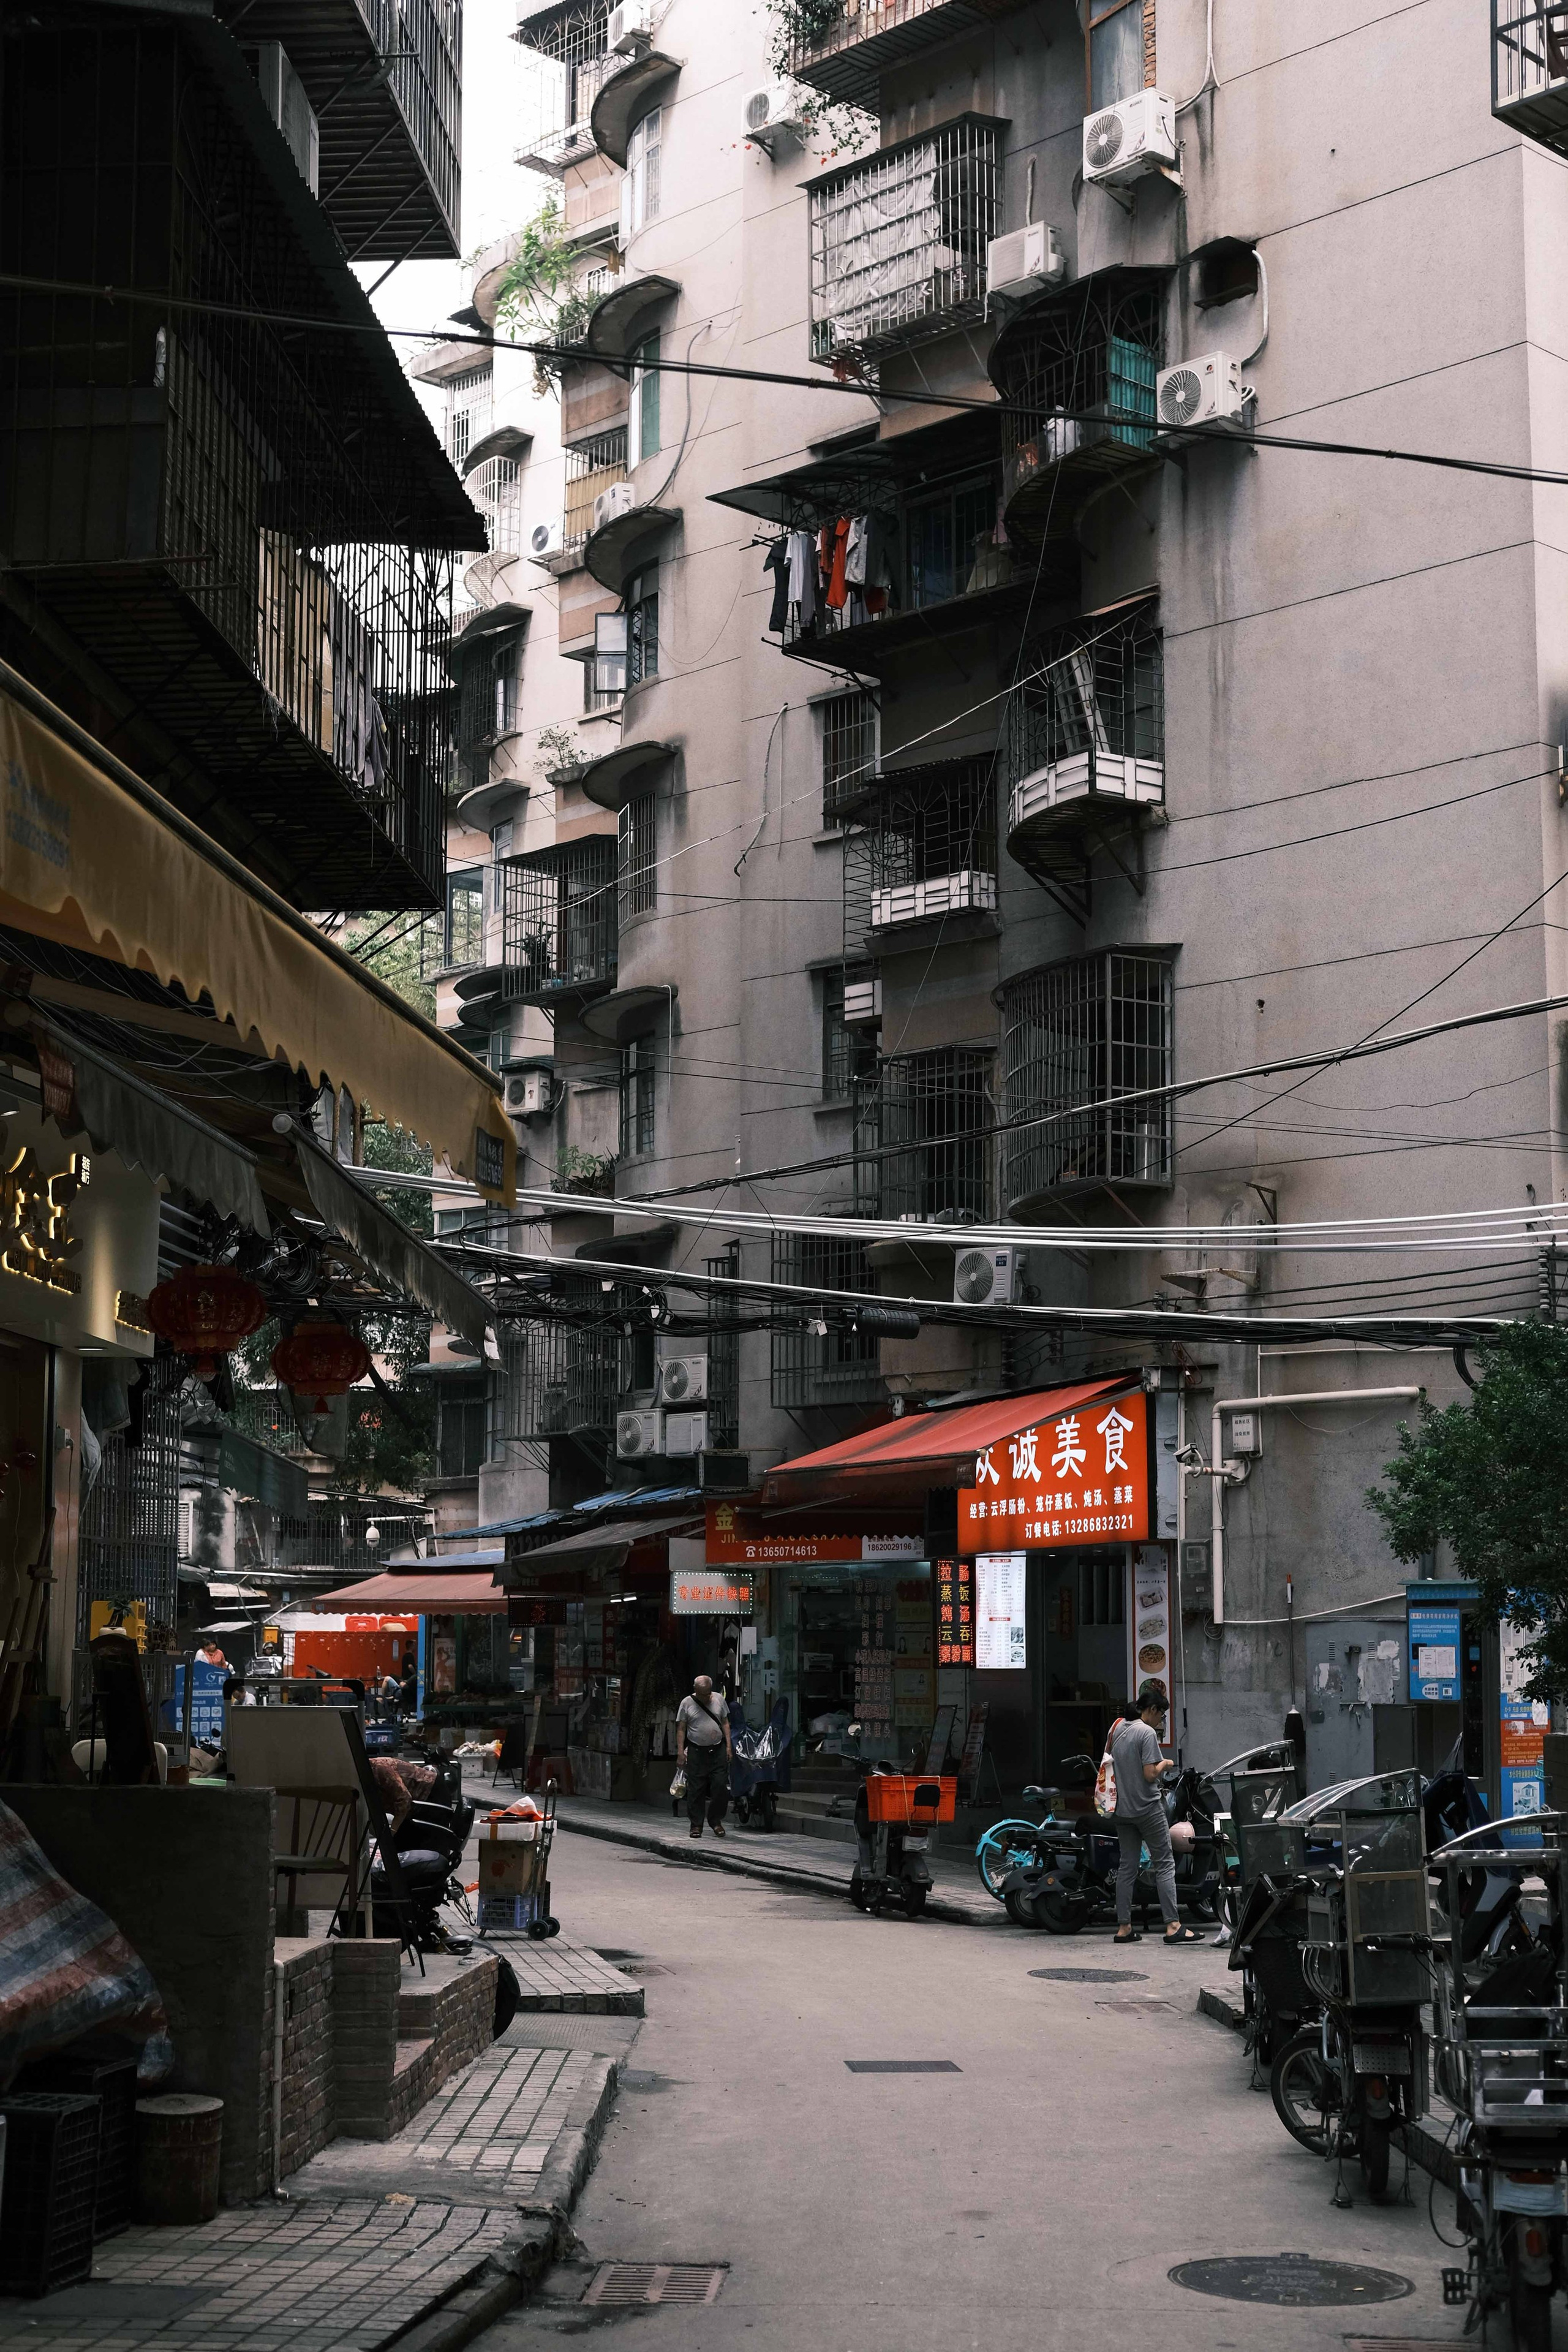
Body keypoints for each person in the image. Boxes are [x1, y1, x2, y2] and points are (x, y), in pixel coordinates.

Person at [1110, 1682, 1199, 1946]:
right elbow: (1150, 1774)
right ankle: (1173, 1925)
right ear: (1150, 1709)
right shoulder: (1146, 1733)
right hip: (1147, 1808)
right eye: (1161, 1714)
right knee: (1165, 1863)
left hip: (1121, 1810)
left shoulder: (1116, 1729)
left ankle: (1124, 1927)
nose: (1161, 1719)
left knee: (1127, 1867)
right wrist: (1166, 1763)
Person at [676, 1673, 732, 1840]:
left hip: (717, 1749)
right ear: (695, 1691)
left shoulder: (719, 1699)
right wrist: (680, 1752)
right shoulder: (687, 1703)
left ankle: (716, 1821)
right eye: (703, 1694)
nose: (707, 1697)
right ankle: (696, 1825)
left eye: (709, 1693)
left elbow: (725, 1722)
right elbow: (681, 1728)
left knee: (720, 1786)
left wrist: (729, 1746)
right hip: (697, 1751)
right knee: (696, 1789)